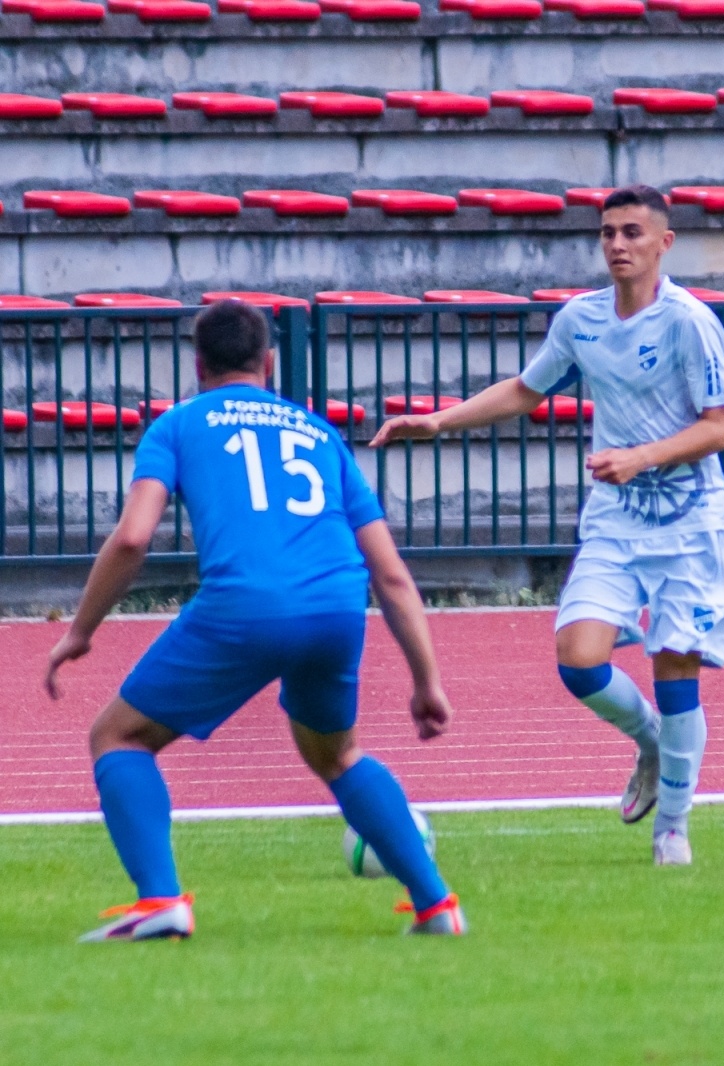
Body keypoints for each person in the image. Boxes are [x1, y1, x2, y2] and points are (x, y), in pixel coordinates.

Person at [45, 299, 465, 940]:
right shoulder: (319, 433)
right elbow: (392, 575)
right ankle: (437, 906)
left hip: (245, 606)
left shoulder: (179, 425)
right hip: (335, 608)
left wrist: (80, 632)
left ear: (197, 364)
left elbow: (133, 537)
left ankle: (160, 902)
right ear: (268, 362)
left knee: (119, 738)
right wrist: (426, 679)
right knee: (339, 755)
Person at [370, 184, 724, 867]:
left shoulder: (690, 323)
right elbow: (526, 388)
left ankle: (673, 833)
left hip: (691, 527)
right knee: (578, 657)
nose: (617, 245)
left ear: (665, 243)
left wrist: (642, 456)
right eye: (607, 233)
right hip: (616, 522)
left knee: (674, 666)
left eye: (632, 232)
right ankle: (654, 746)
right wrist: (439, 421)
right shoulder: (581, 320)